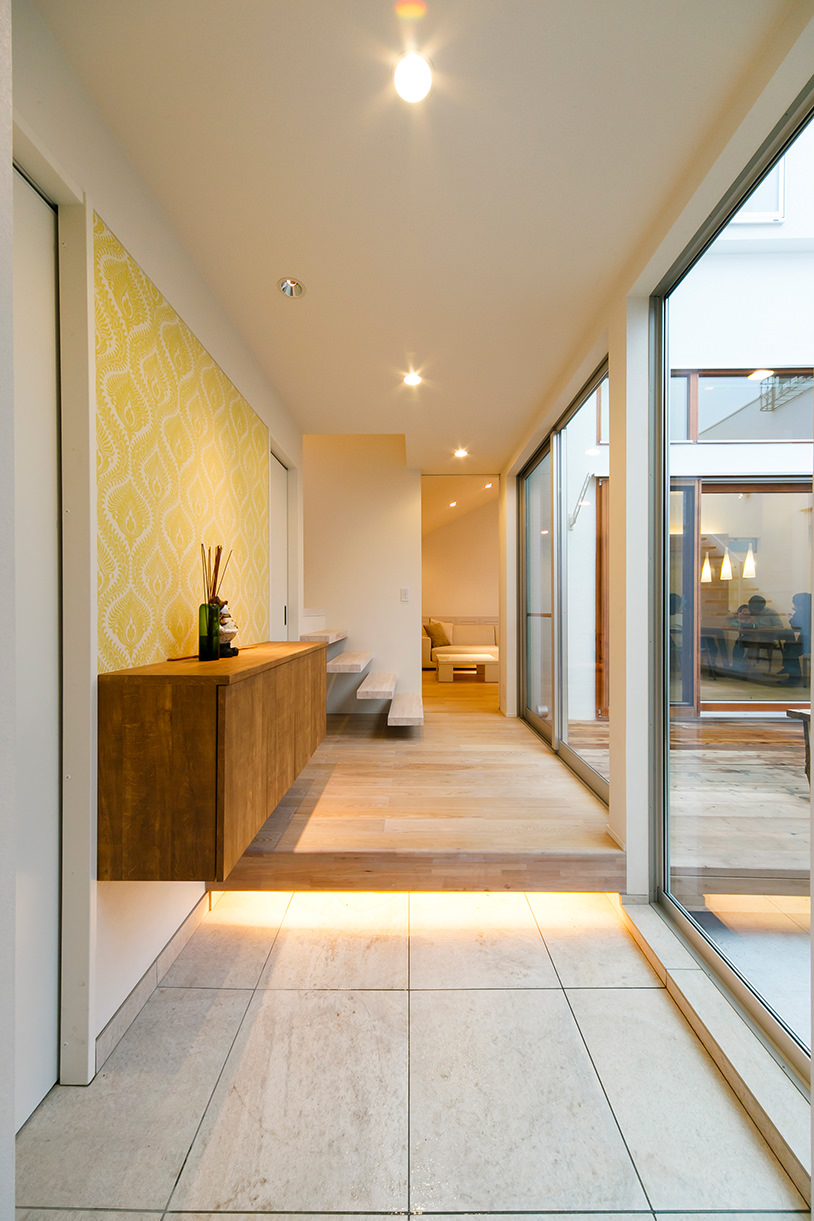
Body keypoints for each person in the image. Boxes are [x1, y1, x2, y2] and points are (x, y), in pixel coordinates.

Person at [780, 591, 811, 685]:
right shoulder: (809, 610)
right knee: (789, 645)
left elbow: (795, 625)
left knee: (790, 648)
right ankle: (788, 668)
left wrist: (793, 616)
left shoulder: (802, 612)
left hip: (807, 643)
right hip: (808, 641)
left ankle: (793, 676)